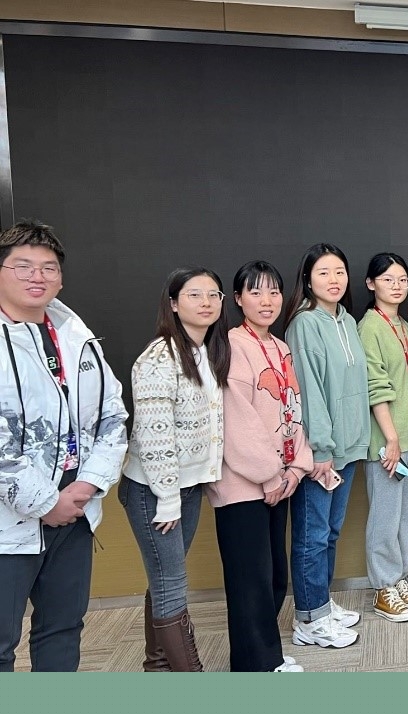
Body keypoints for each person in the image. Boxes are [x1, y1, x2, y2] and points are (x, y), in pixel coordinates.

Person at [0, 220, 128, 672]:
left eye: (49, 268)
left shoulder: (76, 336)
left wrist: (87, 485)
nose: (37, 276)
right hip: (9, 522)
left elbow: (113, 416)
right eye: (23, 266)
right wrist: (46, 502)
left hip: (74, 510)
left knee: (62, 628)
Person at [120, 266, 231, 672]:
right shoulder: (158, 358)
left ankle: (158, 664)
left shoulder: (206, 352)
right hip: (155, 491)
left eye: (213, 295)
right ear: (173, 304)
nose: (206, 303)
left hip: (187, 486)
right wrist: (167, 499)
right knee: (172, 583)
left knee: (165, 576)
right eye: (194, 295)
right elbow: (154, 436)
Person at [208, 261, 311, 672]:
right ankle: (258, 666)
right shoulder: (231, 346)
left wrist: (296, 469)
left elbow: (293, 411)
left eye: (273, 291)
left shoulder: (281, 347)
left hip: (279, 480)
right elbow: (237, 419)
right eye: (255, 292)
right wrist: (270, 474)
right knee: (249, 580)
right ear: (237, 299)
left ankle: (264, 657)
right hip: (244, 485)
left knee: (273, 575)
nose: (266, 301)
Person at [282, 243, 369, 648]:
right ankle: (309, 619)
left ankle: (320, 603)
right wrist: (320, 449)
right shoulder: (304, 323)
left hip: (348, 449)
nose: (334, 280)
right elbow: (309, 391)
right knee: (312, 536)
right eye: (323, 273)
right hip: (322, 452)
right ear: (307, 279)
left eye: (339, 272)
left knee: (330, 533)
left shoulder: (347, 320)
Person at [359, 253, 408, 622]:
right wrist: (390, 438)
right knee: (385, 516)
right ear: (371, 284)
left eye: (402, 279)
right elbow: (376, 386)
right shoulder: (369, 327)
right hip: (389, 440)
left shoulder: (402, 324)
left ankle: (399, 577)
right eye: (388, 279)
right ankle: (383, 587)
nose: (397, 286)